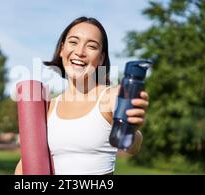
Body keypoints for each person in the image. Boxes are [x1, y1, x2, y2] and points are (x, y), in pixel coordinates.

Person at [15, 16, 149, 175]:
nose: (80, 52)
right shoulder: (50, 106)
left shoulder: (111, 97)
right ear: (62, 49)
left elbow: (133, 145)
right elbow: (25, 165)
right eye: (73, 42)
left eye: (91, 46)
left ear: (101, 58)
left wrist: (130, 129)